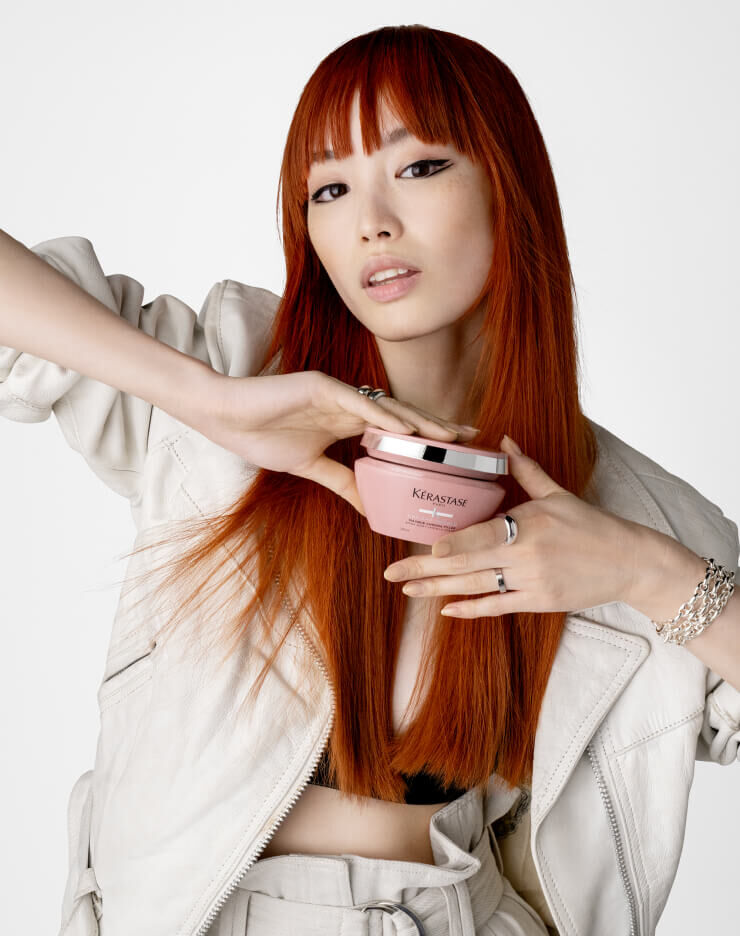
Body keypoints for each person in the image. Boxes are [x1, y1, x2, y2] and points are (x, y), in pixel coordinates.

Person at [1, 23, 738, 936]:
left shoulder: (624, 511)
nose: (371, 221)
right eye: (331, 188)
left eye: (419, 167)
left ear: (508, 186)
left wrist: (647, 573)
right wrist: (212, 400)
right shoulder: (227, 373)